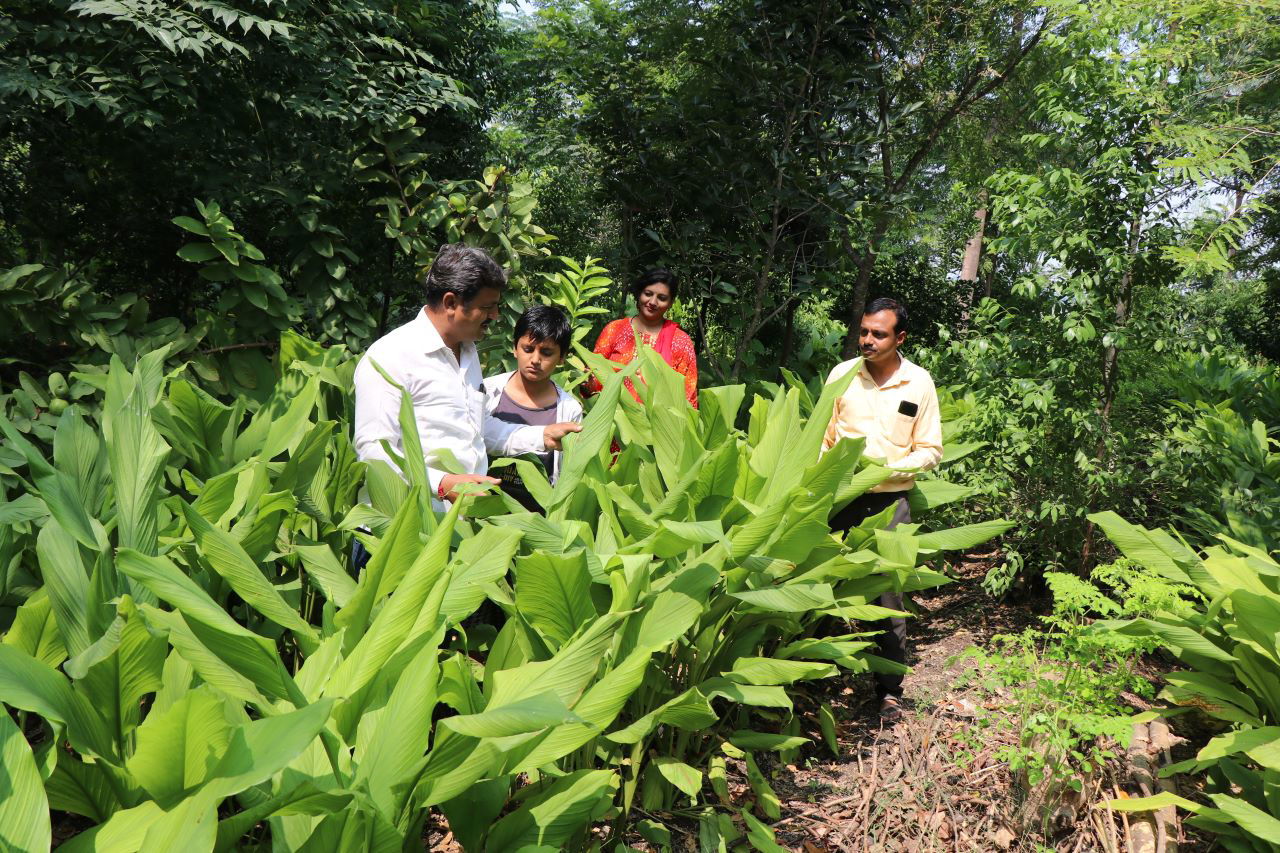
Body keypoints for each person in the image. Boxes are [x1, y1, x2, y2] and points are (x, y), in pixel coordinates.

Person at [352, 244, 582, 516]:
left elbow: (477, 430)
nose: (495, 316)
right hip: (400, 527)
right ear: (451, 303)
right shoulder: (391, 357)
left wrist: (541, 436)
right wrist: (442, 483)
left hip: (457, 526)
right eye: (488, 307)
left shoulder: (468, 353)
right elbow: (375, 453)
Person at [821, 297, 943, 721]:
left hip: (891, 501)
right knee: (821, 585)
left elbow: (930, 449)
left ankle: (889, 689)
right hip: (841, 499)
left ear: (900, 338)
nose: (868, 340)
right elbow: (823, 438)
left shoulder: (919, 382)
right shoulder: (842, 375)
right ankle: (818, 675)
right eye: (865, 331)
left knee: (888, 595)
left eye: (879, 334)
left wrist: (885, 470)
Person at [482, 304, 583, 511]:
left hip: (538, 517)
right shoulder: (487, 391)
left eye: (546, 353)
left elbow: (568, 472)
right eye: (528, 349)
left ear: (562, 357)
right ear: (515, 348)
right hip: (483, 508)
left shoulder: (569, 409)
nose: (535, 360)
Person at [584, 268, 698, 407]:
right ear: (639, 294)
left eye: (662, 298)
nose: (653, 302)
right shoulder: (615, 330)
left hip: (658, 423)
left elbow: (688, 394)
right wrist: (586, 382)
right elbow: (595, 374)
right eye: (648, 294)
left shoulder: (681, 342)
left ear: (671, 302)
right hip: (610, 417)